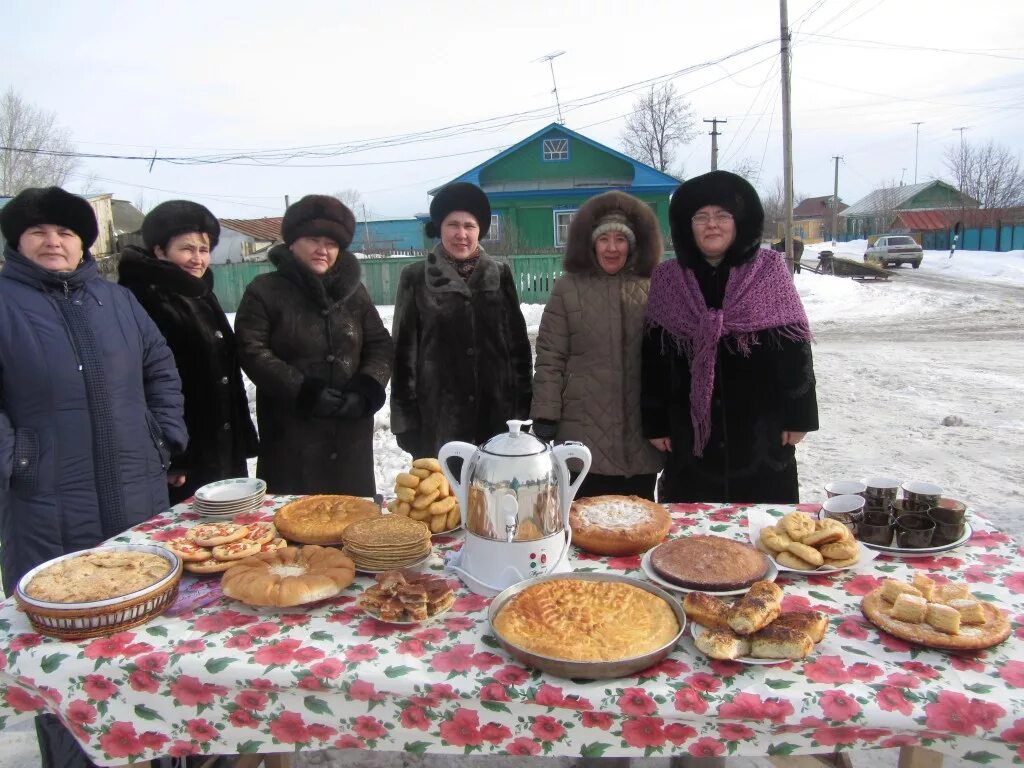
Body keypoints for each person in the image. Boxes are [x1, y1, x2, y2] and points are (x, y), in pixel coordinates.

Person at [0, 186, 187, 768]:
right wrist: (16, 458)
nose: (54, 242)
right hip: (46, 504)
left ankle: (162, 751)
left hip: (138, 496)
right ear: (17, 242)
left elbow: (160, 365)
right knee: (65, 651)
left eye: (66, 232)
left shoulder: (117, 301)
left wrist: (162, 434)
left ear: (84, 242)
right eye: (39, 233)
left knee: (149, 637)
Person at [642, 171, 818, 503]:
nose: (713, 225)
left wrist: (800, 416)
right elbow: (653, 357)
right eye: (702, 217)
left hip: (760, 437)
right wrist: (655, 422)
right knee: (692, 541)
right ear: (686, 225)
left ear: (739, 222)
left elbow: (795, 349)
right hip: (690, 438)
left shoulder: (768, 271)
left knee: (764, 536)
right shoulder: (667, 279)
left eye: (723, 216)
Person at [234, 195, 392, 496]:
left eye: (332, 243)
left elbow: (379, 343)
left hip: (350, 432)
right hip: (291, 430)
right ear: (292, 243)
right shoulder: (265, 290)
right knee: (294, 524)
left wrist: (366, 388)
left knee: (353, 523)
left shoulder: (354, 292)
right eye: (313, 239)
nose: (323, 249)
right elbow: (252, 350)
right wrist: (304, 391)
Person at [118, 200, 258, 505]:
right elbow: (137, 384)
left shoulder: (199, 294)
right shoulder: (141, 298)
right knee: (185, 540)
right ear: (159, 249)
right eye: (187, 248)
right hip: (183, 454)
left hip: (219, 442)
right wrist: (170, 452)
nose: (198, 258)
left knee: (228, 536)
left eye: (204, 249)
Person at [531, 191, 664, 500]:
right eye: (604, 239)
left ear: (634, 243)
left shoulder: (654, 286)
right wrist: (546, 414)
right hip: (581, 431)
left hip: (639, 434)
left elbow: (669, 358)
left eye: (621, 239)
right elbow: (550, 355)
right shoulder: (568, 288)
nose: (612, 247)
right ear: (591, 243)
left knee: (638, 524)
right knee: (582, 525)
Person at [391, 182, 532, 458]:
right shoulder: (416, 277)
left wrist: (522, 410)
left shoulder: (500, 275)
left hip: (496, 417)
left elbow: (518, 349)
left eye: (469, 226)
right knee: (443, 498)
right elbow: (402, 353)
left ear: (480, 230)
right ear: (439, 228)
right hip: (438, 418)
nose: (461, 234)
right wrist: (405, 420)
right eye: (452, 225)